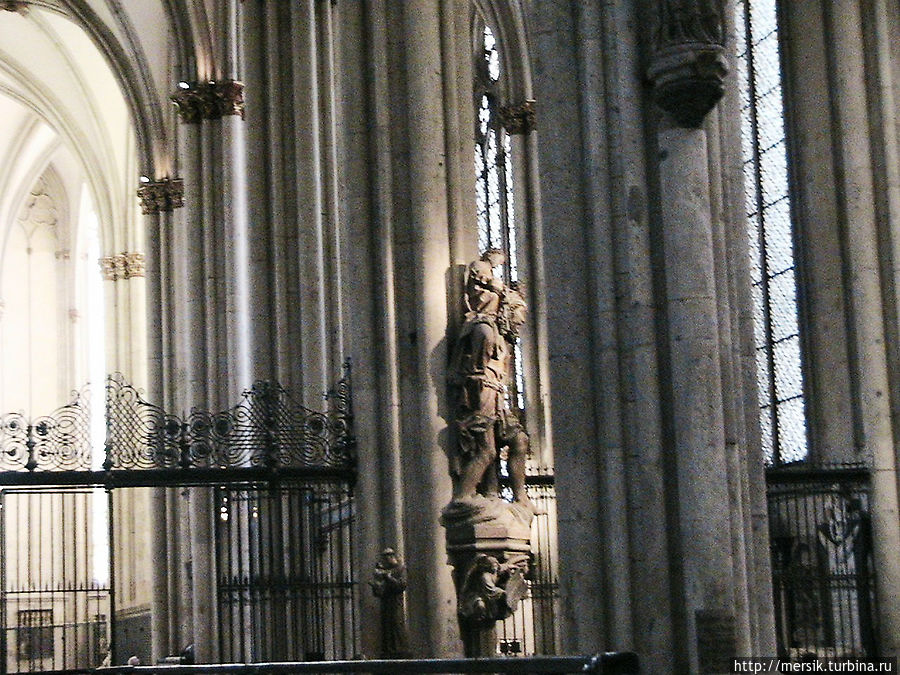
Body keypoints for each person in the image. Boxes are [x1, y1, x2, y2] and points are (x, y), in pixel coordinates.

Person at [448, 249, 534, 509]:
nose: (520, 323)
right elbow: (471, 375)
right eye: (518, 315)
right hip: (482, 397)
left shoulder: (503, 339)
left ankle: (520, 498)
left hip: (497, 398)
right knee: (486, 451)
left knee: (520, 440)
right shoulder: (483, 330)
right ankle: (463, 497)